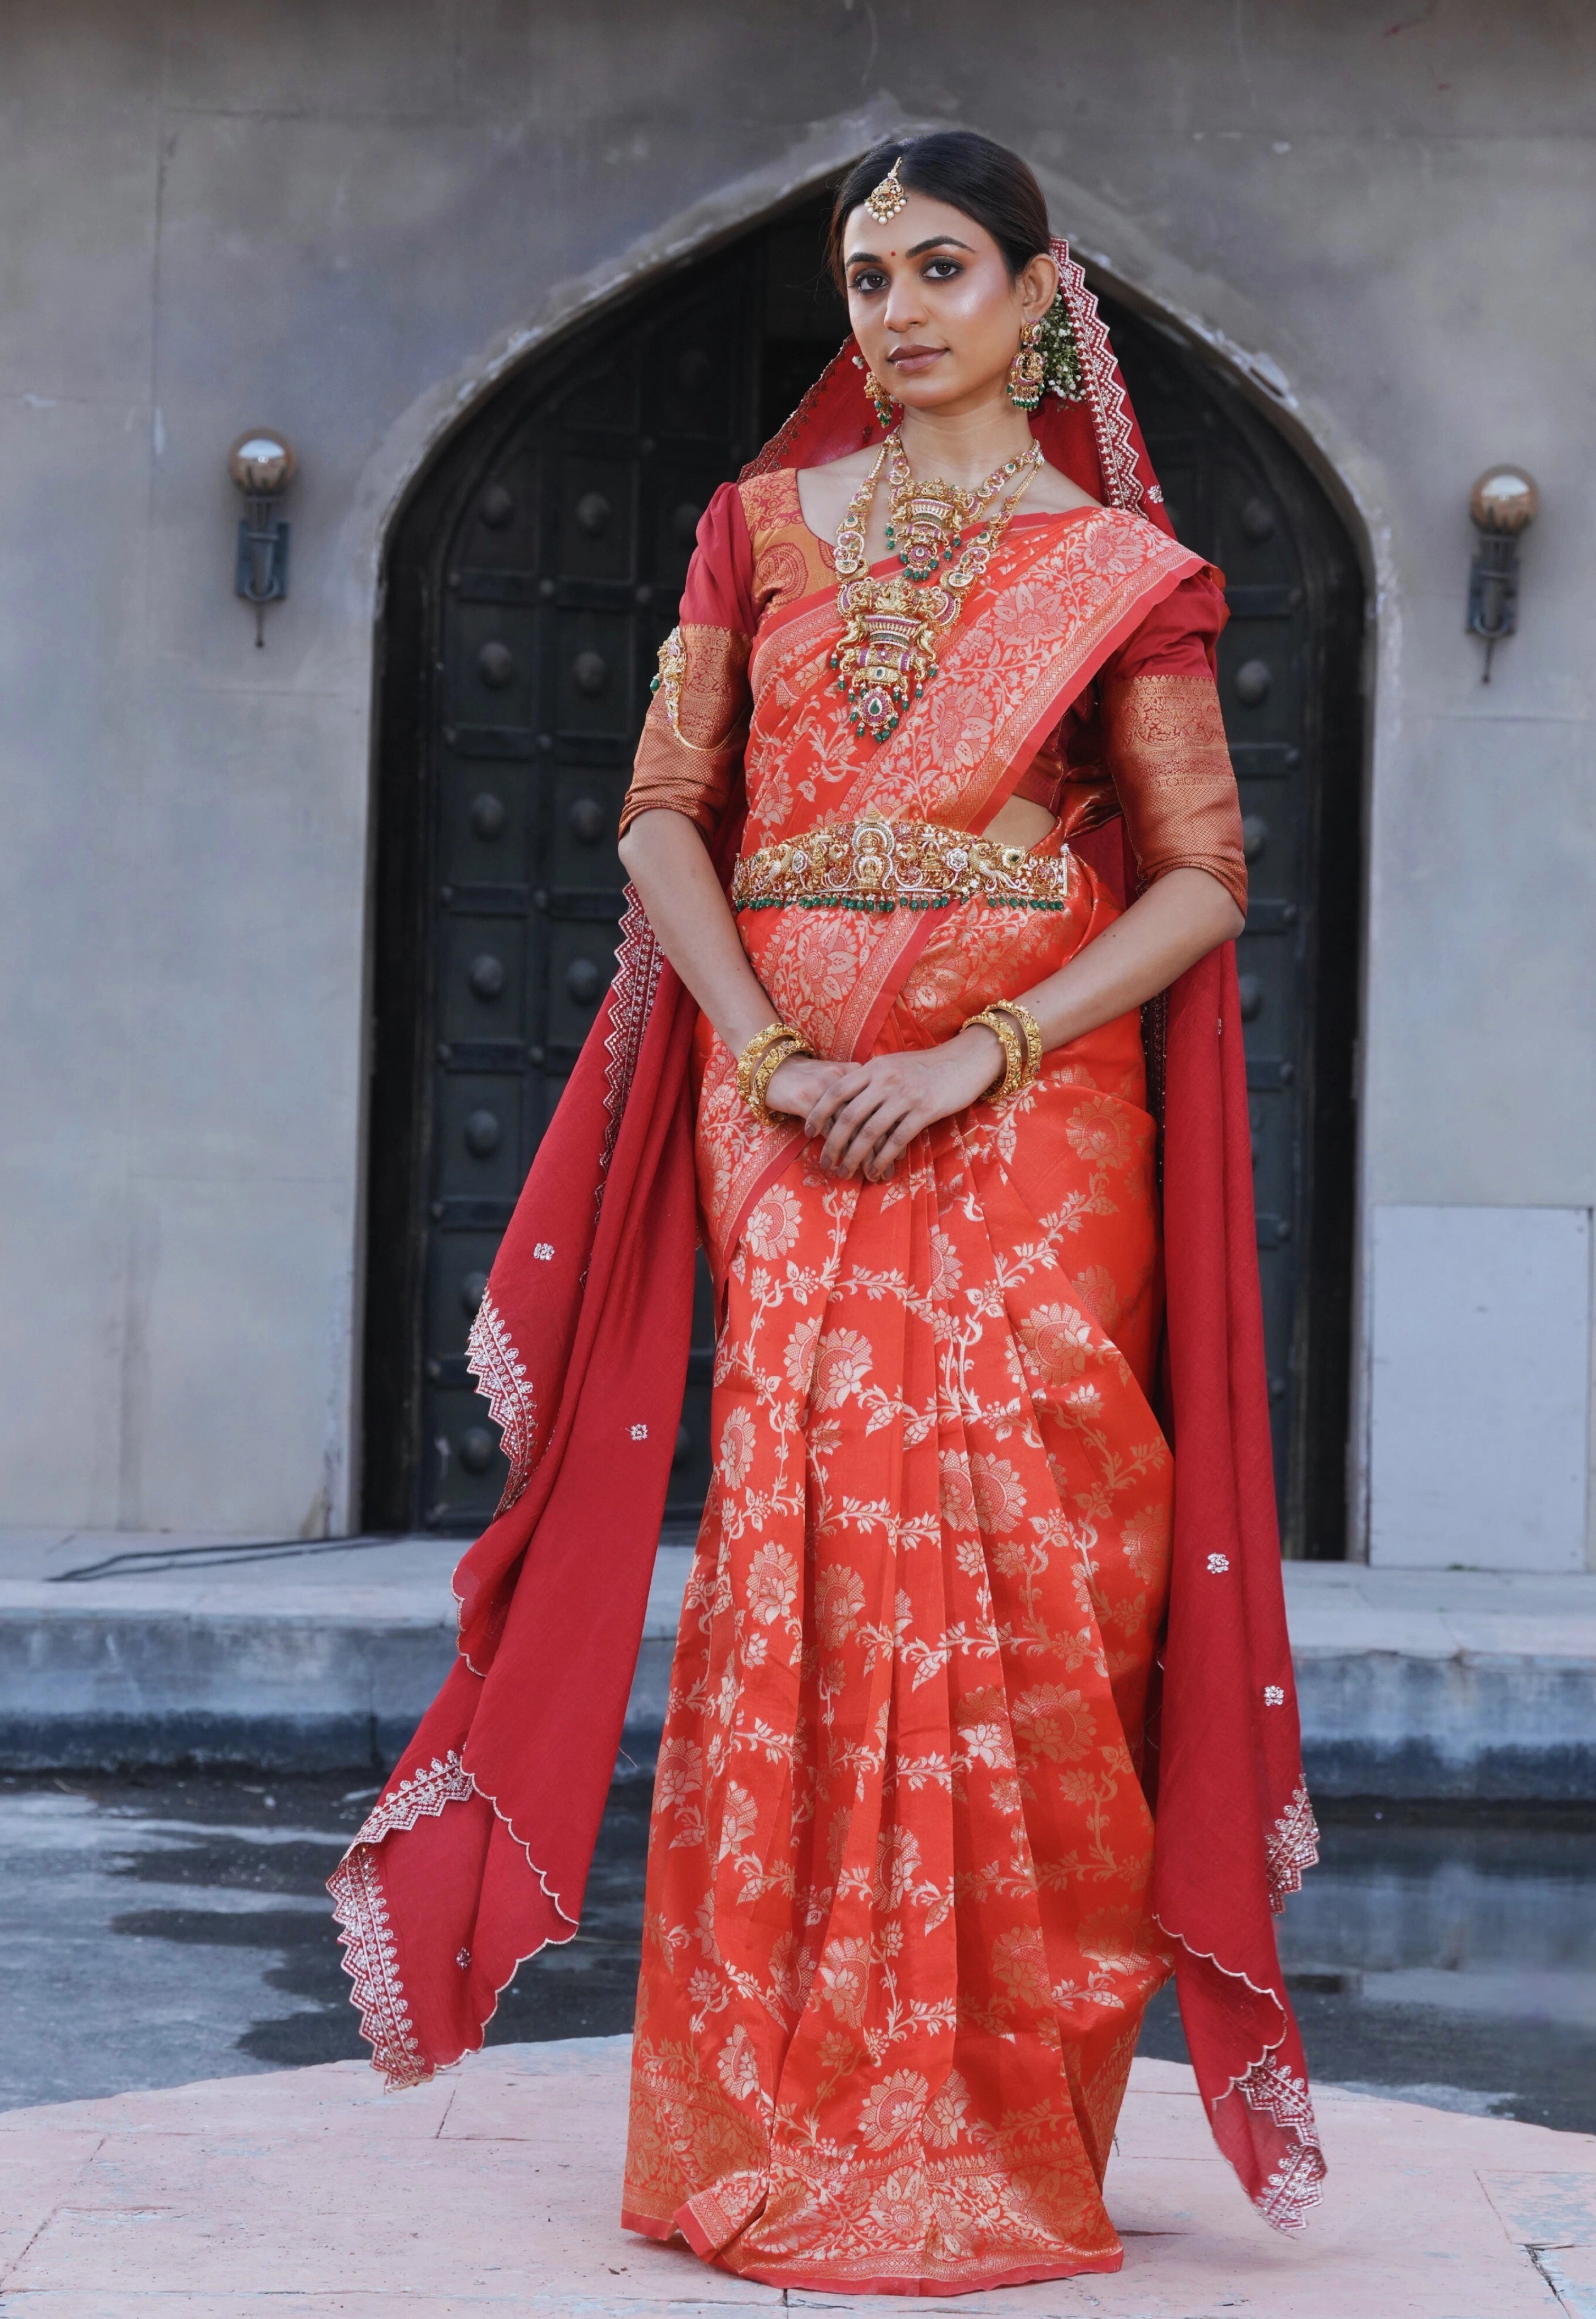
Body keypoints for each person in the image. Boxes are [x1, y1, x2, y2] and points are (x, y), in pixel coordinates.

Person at [331, 130, 1323, 2296]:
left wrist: (983, 1050)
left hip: (1024, 1139)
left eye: (940, 267)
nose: (894, 309)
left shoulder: (1121, 574)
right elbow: (663, 820)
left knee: (1034, 1578)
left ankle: (986, 2107)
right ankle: (777, 2107)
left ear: (1040, 297)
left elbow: (1198, 872)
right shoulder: (752, 533)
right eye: (866, 274)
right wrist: (772, 1060)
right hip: (781, 1127)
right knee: (808, 1569)